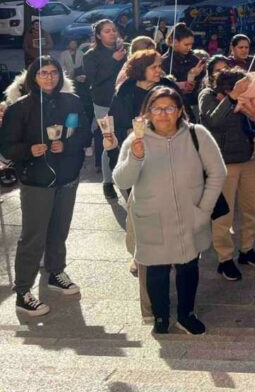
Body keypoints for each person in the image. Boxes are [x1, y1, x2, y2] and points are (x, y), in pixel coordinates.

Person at [112, 85, 227, 334]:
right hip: (152, 217)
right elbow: (121, 181)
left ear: (179, 111)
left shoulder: (197, 134)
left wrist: (204, 209)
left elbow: (218, 172)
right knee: (156, 270)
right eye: (157, 108)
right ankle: (160, 316)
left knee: (188, 267)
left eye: (169, 108)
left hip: (191, 215)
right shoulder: (136, 140)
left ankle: (187, 314)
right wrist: (135, 157)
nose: (163, 114)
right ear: (147, 112)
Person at [0, 57, 88, 317]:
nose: (49, 77)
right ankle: (23, 290)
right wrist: (29, 150)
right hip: (36, 179)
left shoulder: (72, 102)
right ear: (33, 77)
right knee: (33, 235)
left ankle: (55, 272)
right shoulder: (20, 108)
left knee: (59, 229)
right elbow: (6, 147)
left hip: (67, 176)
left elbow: (82, 133)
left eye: (53, 73)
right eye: (43, 73)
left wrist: (68, 145)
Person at [199, 68, 255, 281]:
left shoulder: (245, 97)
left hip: (248, 159)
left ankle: (247, 249)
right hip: (224, 162)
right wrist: (232, 97)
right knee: (224, 214)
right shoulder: (208, 95)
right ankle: (224, 258)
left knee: (250, 208)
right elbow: (212, 121)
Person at [109, 50, 179, 178]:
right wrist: (127, 132)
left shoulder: (168, 88)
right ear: (141, 69)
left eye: (160, 66)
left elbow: (184, 116)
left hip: (166, 152)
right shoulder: (125, 91)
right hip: (135, 153)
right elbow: (113, 123)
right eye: (154, 67)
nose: (159, 70)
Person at [83, 19, 127, 199]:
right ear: (99, 36)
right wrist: (112, 60)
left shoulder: (123, 51)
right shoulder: (90, 55)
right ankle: (108, 182)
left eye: (113, 30)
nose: (112, 33)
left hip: (124, 100)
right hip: (103, 103)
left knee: (125, 138)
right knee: (109, 140)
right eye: (107, 31)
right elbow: (95, 80)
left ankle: (125, 177)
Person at [161, 24, 206, 114]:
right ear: (175, 42)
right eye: (186, 44)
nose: (189, 47)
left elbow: (203, 83)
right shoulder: (164, 61)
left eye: (191, 44)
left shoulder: (194, 59)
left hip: (194, 104)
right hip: (173, 105)